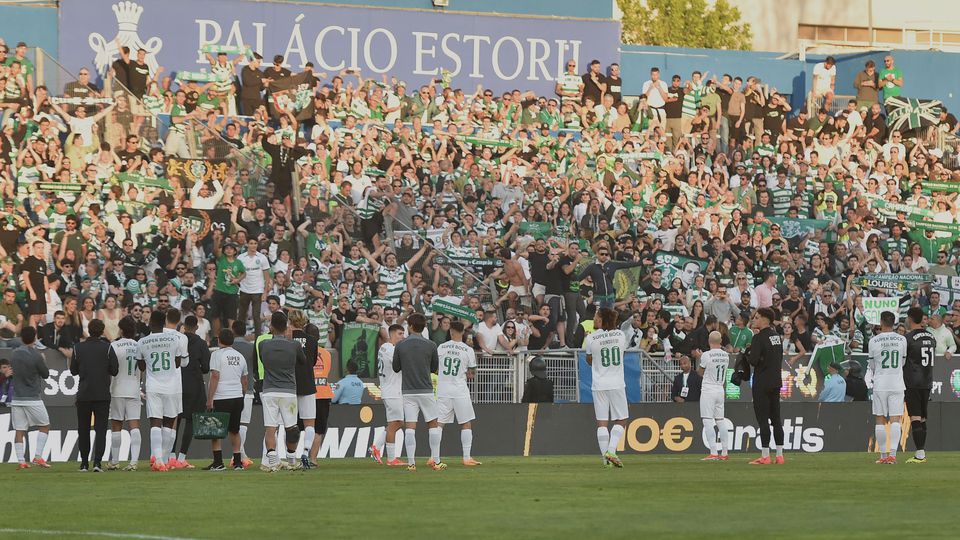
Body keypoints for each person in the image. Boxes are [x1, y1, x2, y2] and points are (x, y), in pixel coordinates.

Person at [137, 310, 188, 472]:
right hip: (172, 386)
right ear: (164, 323)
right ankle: (165, 459)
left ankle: (158, 459)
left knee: (155, 422)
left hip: (154, 385)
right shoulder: (175, 339)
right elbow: (178, 363)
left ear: (151, 323)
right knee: (168, 423)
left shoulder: (142, 342)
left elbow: (141, 366)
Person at [256, 311, 307, 471]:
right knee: (291, 428)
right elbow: (303, 361)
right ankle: (291, 461)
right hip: (288, 391)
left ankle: (272, 462)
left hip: (269, 390)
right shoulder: (294, 345)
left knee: (270, 427)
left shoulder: (263, 345)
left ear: (271, 327)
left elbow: (263, 361)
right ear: (286, 327)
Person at [392, 313, 443, 471]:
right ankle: (436, 461)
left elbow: (396, 368)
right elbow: (434, 368)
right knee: (433, 425)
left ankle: (411, 463)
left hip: (408, 391)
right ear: (424, 327)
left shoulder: (401, 345)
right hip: (426, 390)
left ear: (411, 326)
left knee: (410, 427)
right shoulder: (431, 345)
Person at [70, 319, 118, 472]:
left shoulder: (78, 347)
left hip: (84, 394)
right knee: (101, 429)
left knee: (83, 429)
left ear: (89, 330)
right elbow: (115, 370)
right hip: (102, 395)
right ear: (102, 331)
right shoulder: (108, 348)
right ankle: (97, 463)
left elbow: (73, 370)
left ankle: (84, 463)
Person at [584, 307, 628, 469]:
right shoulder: (620, 335)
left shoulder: (591, 338)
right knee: (621, 419)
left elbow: (589, 360)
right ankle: (611, 451)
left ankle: (606, 459)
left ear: (603, 319)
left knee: (602, 423)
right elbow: (621, 355)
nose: (594, 319)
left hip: (599, 384)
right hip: (616, 382)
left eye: (596, 316)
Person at [435, 321, 481, 466]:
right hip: (460, 390)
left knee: (439, 424)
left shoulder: (441, 347)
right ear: (463, 332)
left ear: (450, 331)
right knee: (465, 423)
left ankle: (434, 457)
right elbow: (472, 373)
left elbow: (435, 368)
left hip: (443, 390)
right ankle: (466, 458)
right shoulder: (468, 350)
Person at [867, 310, 907, 464]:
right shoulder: (902, 339)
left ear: (881, 322)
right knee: (896, 419)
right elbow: (903, 361)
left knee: (880, 420)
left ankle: (883, 456)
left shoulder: (873, 341)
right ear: (894, 322)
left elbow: (872, 365)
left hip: (880, 383)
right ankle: (893, 455)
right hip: (897, 383)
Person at [205, 328, 249, 471]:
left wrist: (210, 398)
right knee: (234, 430)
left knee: (216, 431)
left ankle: (218, 462)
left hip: (221, 396)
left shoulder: (216, 354)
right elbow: (245, 380)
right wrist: (241, 394)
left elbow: (215, 376)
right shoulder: (239, 356)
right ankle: (237, 462)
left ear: (219, 340)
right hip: (237, 396)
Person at [746, 307, 785, 465]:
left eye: (756, 317)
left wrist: (749, 352)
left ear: (764, 320)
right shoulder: (777, 336)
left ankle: (765, 456)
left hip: (762, 382)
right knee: (776, 419)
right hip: (776, 381)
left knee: (763, 420)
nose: (754, 320)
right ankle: (780, 455)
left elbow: (753, 360)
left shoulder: (759, 338)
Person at [172, 315, 210, 469]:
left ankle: (170, 456)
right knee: (190, 421)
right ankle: (182, 457)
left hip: (176, 384)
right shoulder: (200, 343)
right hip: (194, 385)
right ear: (196, 327)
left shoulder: (176, 340)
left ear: (184, 326)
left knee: (175, 419)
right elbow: (206, 367)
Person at [10, 326, 52, 469]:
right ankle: (38, 457)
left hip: (16, 398)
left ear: (21, 338)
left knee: (19, 430)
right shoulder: (36, 355)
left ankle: (21, 461)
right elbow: (46, 374)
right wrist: (43, 360)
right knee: (45, 425)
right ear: (34, 338)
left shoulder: (14, 354)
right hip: (32, 397)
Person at [107, 316, 143, 471]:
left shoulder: (114, 345)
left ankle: (115, 461)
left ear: (121, 330)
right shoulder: (138, 346)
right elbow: (143, 367)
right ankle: (133, 462)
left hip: (117, 389)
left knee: (116, 425)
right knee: (134, 426)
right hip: (134, 388)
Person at [903, 306, 936, 463]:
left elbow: (904, 360)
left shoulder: (908, 338)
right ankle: (921, 452)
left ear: (910, 319)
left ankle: (920, 454)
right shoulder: (931, 337)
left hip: (913, 381)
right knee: (922, 418)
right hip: (927, 381)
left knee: (915, 417)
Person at [371, 323, 405, 466]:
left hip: (390, 389)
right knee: (396, 423)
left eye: (403, 334)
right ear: (391, 334)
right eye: (400, 334)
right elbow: (401, 364)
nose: (402, 336)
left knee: (396, 422)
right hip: (392, 390)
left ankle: (376, 448)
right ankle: (391, 459)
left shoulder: (385, 348)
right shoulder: (390, 349)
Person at [290, 310, 319, 469]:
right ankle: (306, 452)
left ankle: (291, 457)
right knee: (309, 423)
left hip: (290, 384)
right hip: (307, 383)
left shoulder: (287, 339)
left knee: (289, 424)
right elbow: (313, 362)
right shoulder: (312, 340)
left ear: (290, 322)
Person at [698, 331, 731, 461]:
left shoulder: (706, 355)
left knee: (707, 420)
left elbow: (700, 372)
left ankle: (713, 452)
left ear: (709, 341)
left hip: (708, 389)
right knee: (720, 420)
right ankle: (724, 451)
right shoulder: (726, 355)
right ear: (721, 341)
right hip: (720, 389)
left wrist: (699, 357)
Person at [230, 320, 256, 469]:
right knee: (243, 424)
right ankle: (238, 455)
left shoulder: (229, 347)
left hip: (229, 391)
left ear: (233, 331)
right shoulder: (251, 348)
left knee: (234, 425)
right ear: (245, 331)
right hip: (247, 390)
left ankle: (242, 454)